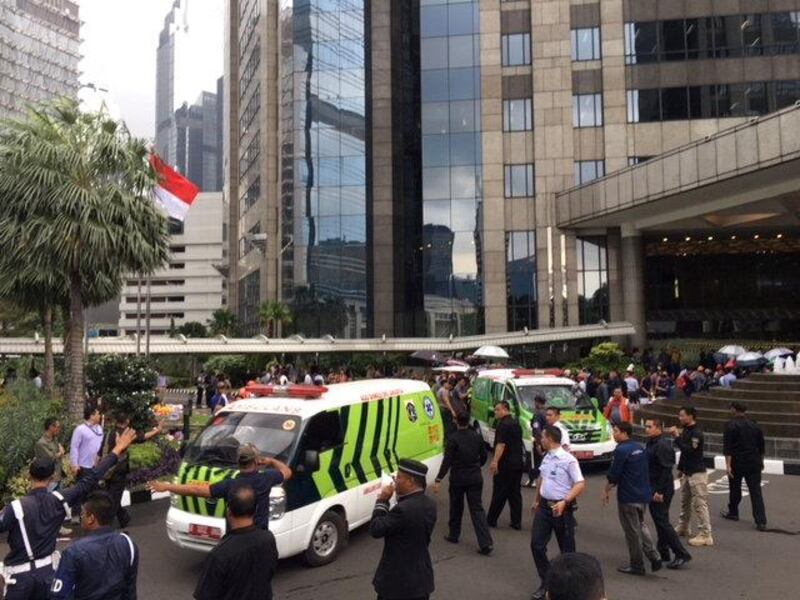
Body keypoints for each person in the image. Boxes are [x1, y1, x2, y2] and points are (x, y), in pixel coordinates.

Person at [0, 429, 136, 600]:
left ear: (29, 476)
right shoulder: (59, 500)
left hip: (19, 582)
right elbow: (91, 478)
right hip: (48, 576)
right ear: (51, 478)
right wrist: (117, 450)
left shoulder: (15, 508)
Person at [148, 443, 291, 531]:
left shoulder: (229, 485)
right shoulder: (266, 478)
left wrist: (167, 487)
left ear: (238, 461)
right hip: (260, 537)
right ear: (255, 461)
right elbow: (287, 472)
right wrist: (271, 461)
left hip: (236, 538)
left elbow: (195, 490)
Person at [193, 485, 279, 600]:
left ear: (228, 511)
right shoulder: (268, 539)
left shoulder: (220, 554)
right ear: (255, 509)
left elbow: (205, 595)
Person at [530, 426, 586, 600]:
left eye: (543, 437)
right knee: (536, 545)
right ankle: (547, 583)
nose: (540, 440)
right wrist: (537, 500)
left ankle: (573, 588)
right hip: (545, 508)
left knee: (567, 552)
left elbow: (580, 483)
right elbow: (541, 478)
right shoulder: (546, 457)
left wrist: (565, 501)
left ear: (550, 439)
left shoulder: (568, 460)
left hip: (562, 510)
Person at [49, 491, 138, 600]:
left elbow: (59, 596)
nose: (81, 517)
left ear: (91, 518)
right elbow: (130, 590)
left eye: (82, 513)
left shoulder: (74, 552)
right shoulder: (128, 544)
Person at [371, 458, 437, 600]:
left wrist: (382, 500)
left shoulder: (403, 509)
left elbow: (376, 529)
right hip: (421, 580)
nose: (395, 481)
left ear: (410, 481)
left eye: (399, 477)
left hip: (398, 585)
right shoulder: (430, 504)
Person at [603, 422, 661, 576]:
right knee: (641, 525)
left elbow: (614, 475)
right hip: (643, 494)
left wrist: (606, 490)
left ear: (624, 433)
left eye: (615, 431)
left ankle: (637, 564)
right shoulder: (639, 448)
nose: (613, 434)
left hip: (628, 496)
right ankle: (654, 555)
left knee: (631, 531)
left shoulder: (621, 450)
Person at [434, 412, 493, 555]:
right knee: (477, 509)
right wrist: (477, 466)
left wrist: (438, 478)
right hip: (474, 476)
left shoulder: (453, 439)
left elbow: (447, 460)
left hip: (458, 477)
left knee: (456, 507)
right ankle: (485, 542)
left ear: (456, 421)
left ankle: (454, 535)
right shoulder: (477, 437)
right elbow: (484, 456)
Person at [100, 413, 161, 529]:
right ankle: (108, 526)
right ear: (127, 421)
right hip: (119, 471)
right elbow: (142, 437)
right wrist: (157, 430)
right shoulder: (126, 434)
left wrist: (98, 467)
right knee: (113, 499)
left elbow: (100, 452)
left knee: (112, 496)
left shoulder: (109, 433)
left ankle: (123, 518)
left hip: (107, 470)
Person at [644, 418, 691, 569]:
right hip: (654, 486)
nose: (646, 429)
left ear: (658, 428)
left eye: (649, 427)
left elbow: (666, 470)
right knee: (660, 520)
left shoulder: (662, 445)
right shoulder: (652, 442)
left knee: (662, 521)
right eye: (646, 426)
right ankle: (664, 551)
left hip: (661, 488)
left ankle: (681, 553)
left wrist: (659, 491)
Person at [670, 406, 713, 547]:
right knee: (685, 501)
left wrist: (676, 437)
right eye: (679, 415)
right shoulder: (687, 431)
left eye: (682, 415)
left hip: (697, 473)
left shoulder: (696, 433)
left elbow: (688, 450)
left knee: (699, 504)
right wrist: (681, 469)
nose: (680, 418)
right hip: (687, 472)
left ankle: (706, 534)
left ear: (691, 416)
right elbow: (684, 454)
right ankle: (683, 526)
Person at [720, 402, 767, 531]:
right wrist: (761, 462)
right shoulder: (755, 426)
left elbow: (728, 448)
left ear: (734, 410)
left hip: (737, 462)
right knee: (755, 491)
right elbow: (761, 447)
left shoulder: (730, 426)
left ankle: (733, 512)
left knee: (735, 488)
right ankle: (761, 521)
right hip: (754, 461)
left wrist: (728, 466)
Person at [487, 401, 524, 530]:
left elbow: (501, 444)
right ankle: (516, 521)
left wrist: (495, 461)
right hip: (517, 463)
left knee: (499, 492)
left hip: (506, 464)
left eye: (497, 410)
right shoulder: (515, 423)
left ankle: (491, 519)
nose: (495, 412)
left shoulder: (503, 425)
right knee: (515, 493)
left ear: (505, 409)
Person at [69, 406, 105, 517]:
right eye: (98, 414)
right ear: (92, 415)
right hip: (84, 466)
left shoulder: (99, 428)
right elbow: (74, 447)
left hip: (96, 466)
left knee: (95, 491)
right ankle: (75, 515)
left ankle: (93, 514)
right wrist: (75, 464)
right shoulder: (80, 429)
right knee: (80, 491)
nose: (100, 416)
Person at [525, 396, 548, 488]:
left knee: (534, 460)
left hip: (539, 441)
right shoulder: (547, 412)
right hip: (548, 440)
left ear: (537, 402)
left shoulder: (538, 414)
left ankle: (533, 479)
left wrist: (538, 444)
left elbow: (536, 428)